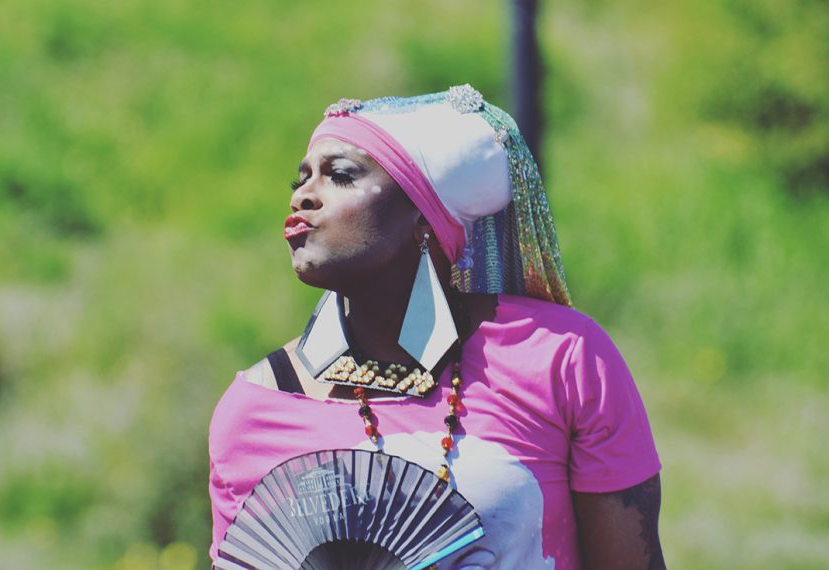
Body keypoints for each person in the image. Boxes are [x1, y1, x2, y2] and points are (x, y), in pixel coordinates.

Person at [208, 85, 665, 569]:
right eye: (300, 180)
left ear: (424, 219)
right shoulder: (253, 410)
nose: (304, 195)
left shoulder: (560, 356)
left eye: (339, 175)